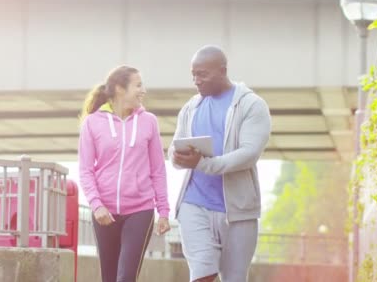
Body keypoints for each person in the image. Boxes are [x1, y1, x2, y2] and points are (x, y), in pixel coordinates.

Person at [168, 45, 271, 282]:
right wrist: (176, 156)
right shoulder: (190, 107)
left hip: (237, 210)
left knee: (234, 278)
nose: (196, 80)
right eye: (193, 74)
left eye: (202, 74)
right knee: (202, 273)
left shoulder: (251, 105)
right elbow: (175, 147)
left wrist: (203, 164)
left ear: (222, 71)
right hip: (194, 203)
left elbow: (249, 153)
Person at [78, 65, 171, 282]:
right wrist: (96, 204)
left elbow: (158, 169)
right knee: (109, 278)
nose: (143, 90)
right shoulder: (92, 123)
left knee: (126, 277)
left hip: (140, 209)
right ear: (120, 89)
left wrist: (163, 211)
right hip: (104, 212)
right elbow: (85, 170)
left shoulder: (149, 121)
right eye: (138, 85)